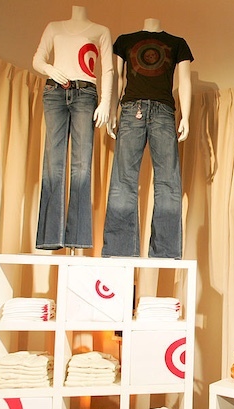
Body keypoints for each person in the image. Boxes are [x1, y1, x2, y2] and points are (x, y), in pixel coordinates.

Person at [101, 18, 193, 259]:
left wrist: (185, 117)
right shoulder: (125, 41)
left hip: (164, 111)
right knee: (124, 180)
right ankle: (120, 249)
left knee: (168, 182)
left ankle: (165, 252)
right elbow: (118, 78)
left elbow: (184, 80)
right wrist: (112, 110)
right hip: (132, 109)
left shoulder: (178, 43)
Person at [33, 5, 113, 251]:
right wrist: (49, 69)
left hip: (85, 93)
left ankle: (77, 238)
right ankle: (50, 237)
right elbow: (38, 59)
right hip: (54, 91)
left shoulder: (101, 31)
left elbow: (108, 69)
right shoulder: (54, 27)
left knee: (81, 165)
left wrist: (105, 103)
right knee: (52, 162)